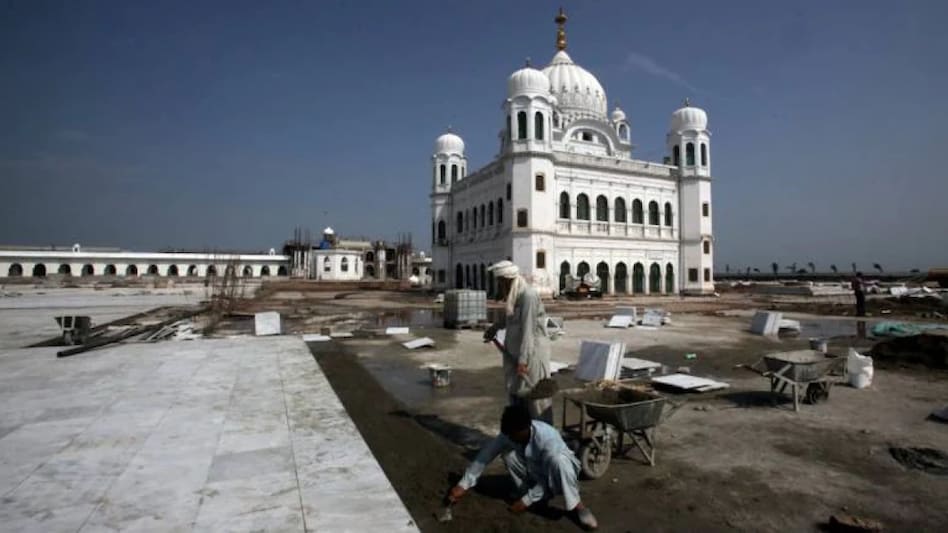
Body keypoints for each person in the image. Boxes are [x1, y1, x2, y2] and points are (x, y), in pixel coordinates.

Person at [448, 405, 598, 530]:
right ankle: (531, 497)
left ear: (525, 429)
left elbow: (547, 478)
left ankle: (579, 507)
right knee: (508, 456)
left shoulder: (547, 439)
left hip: (558, 472)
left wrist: (526, 500)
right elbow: (486, 455)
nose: (510, 438)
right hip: (534, 469)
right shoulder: (511, 434)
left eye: (513, 435)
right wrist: (463, 484)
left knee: (558, 462)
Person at [483, 260, 552, 421]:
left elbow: (528, 330)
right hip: (517, 352)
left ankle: (544, 438)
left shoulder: (528, 295)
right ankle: (523, 437)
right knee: (517, 396)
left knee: (535, 399)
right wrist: (495, 328)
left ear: (507, 280)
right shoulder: (515, 295)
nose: (500, 286)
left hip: (532, 355)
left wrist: (523, 361)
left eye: (500, 282)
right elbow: (510, 317)